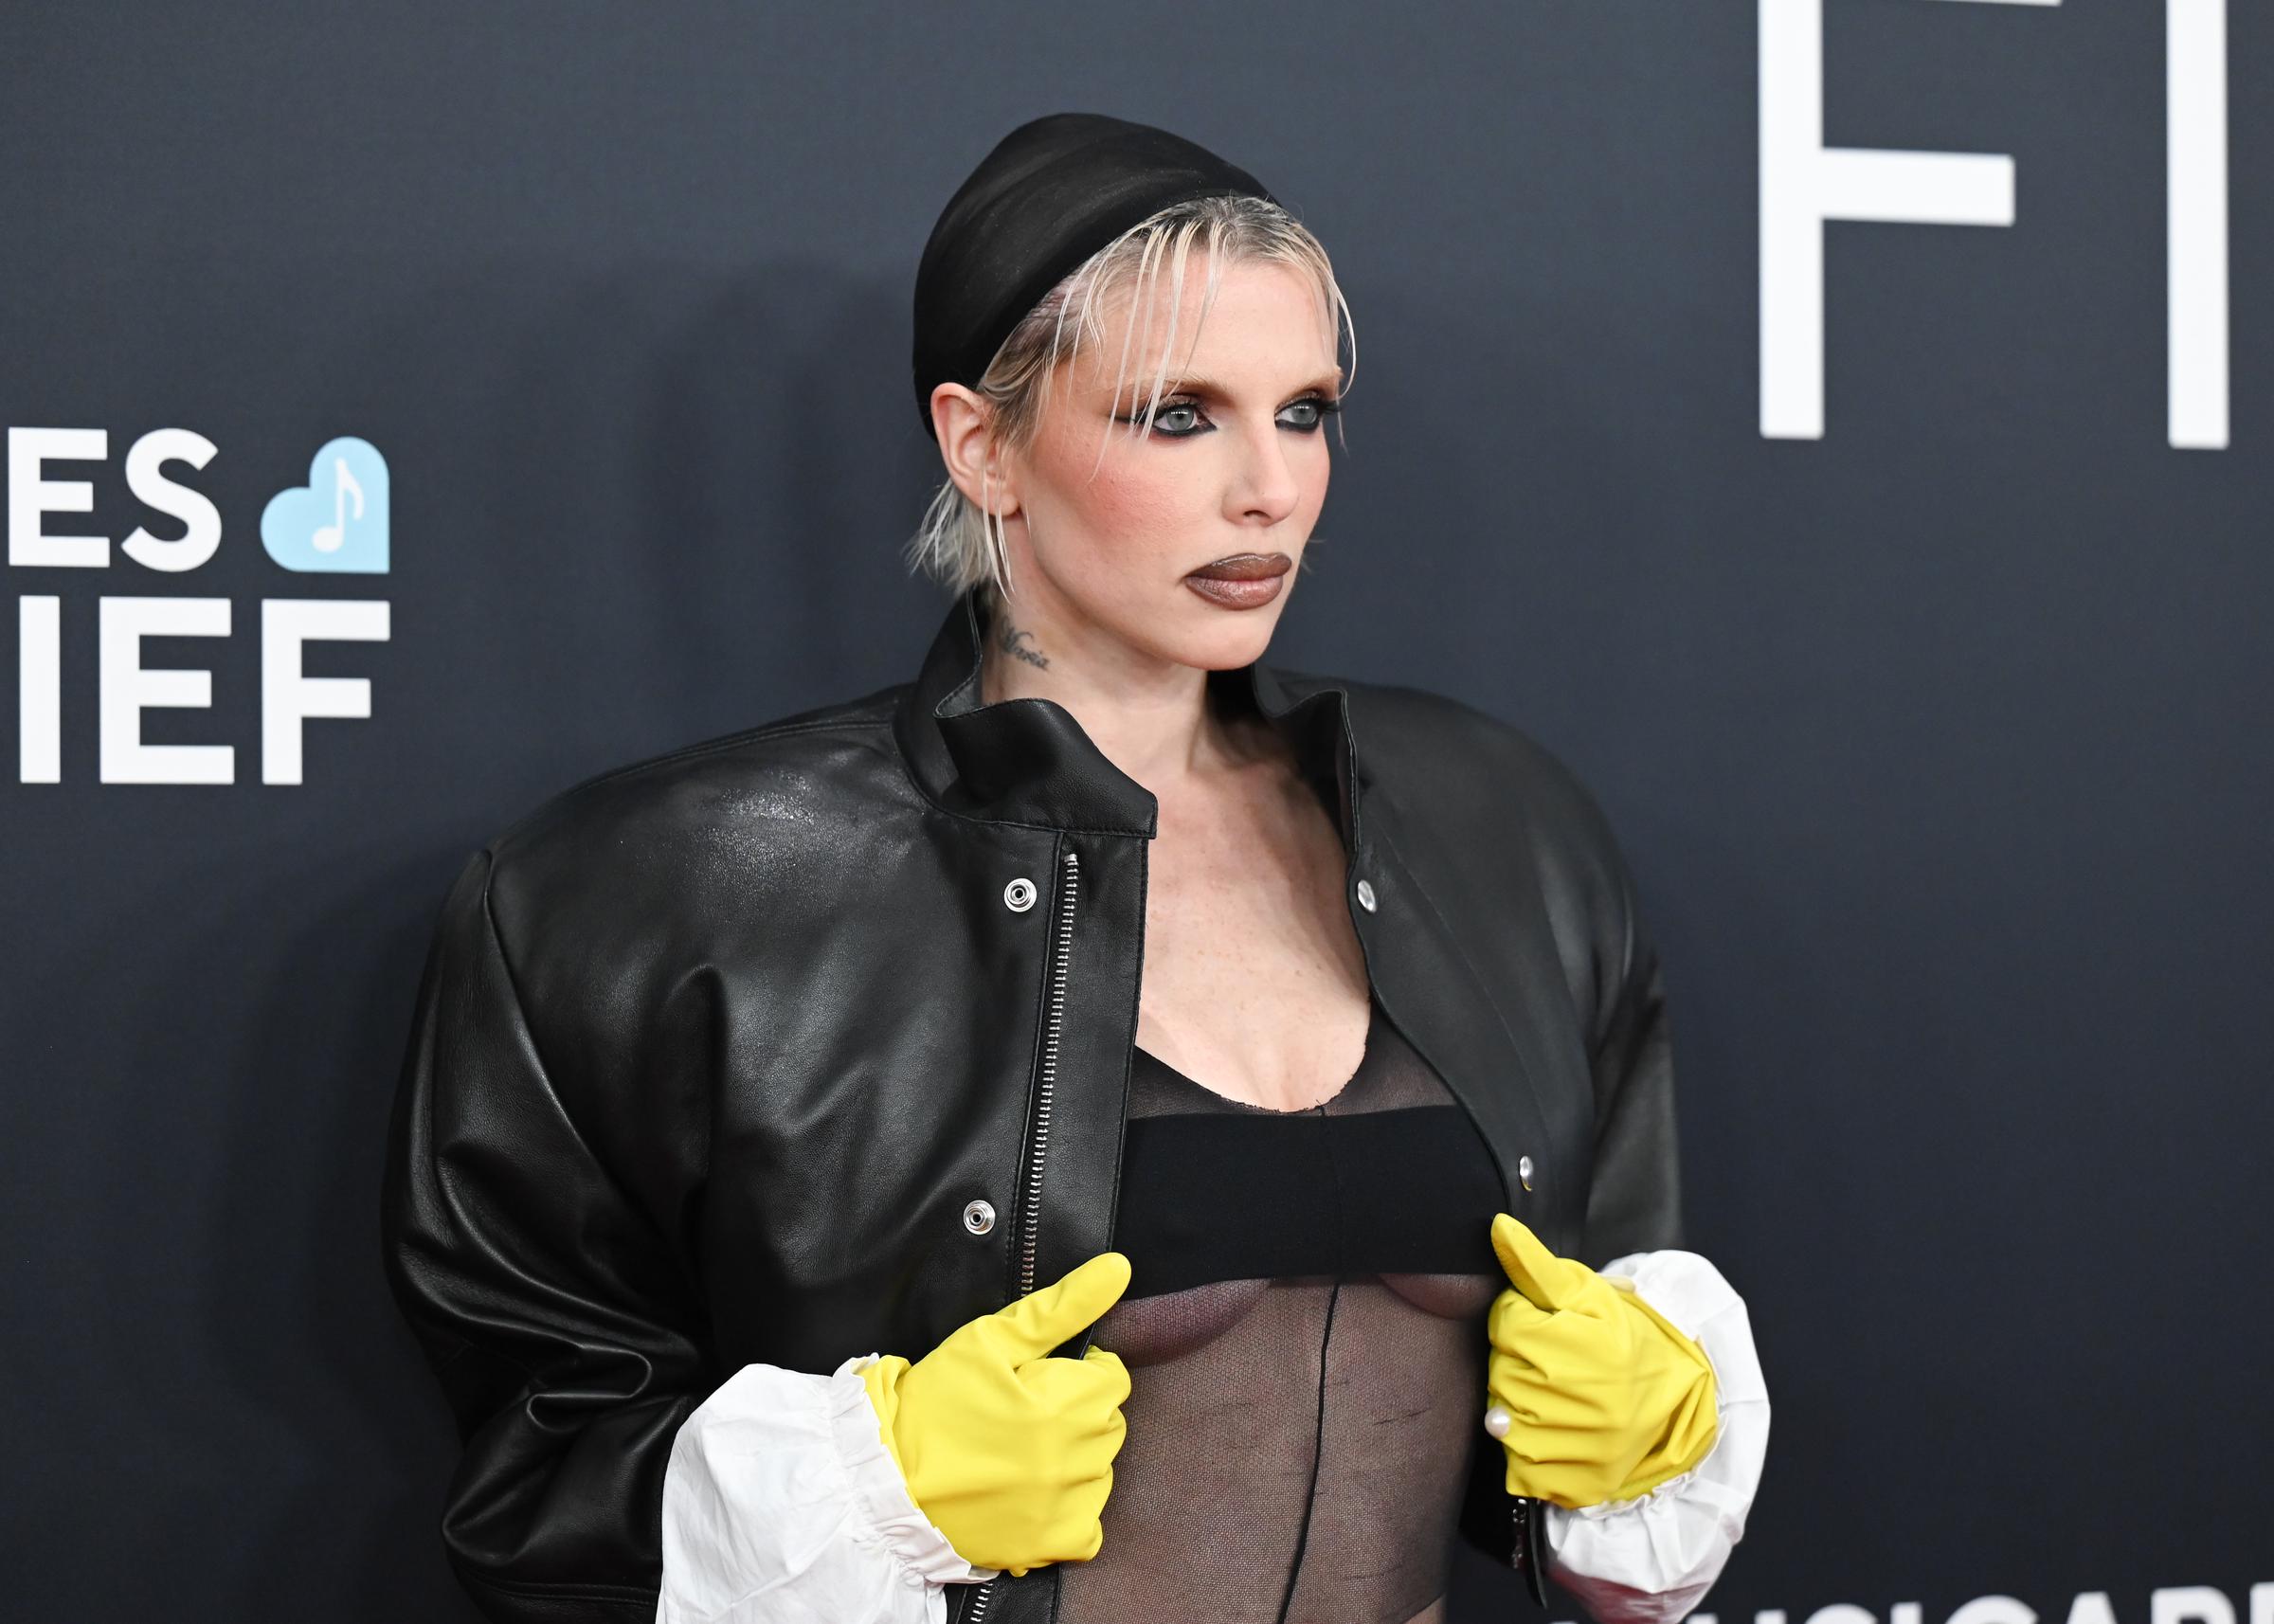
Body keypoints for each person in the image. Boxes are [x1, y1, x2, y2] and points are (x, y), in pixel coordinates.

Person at [380, 112, 1768, 1624]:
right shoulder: (666, 890)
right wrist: (867, 1488)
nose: (1270, 489)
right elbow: (536, 1493)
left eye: (1304, 412)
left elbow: (1619, 1380)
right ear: (983, 443)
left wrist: (1650, 1428)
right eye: (1178, 416)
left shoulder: (1507, 832)